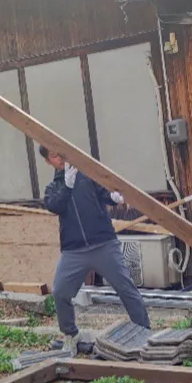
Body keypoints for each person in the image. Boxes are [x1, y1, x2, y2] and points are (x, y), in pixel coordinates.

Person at [39, 146, 151, 353]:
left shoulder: (87, 176)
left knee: (126, 288)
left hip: (104, 244)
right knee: (61, 292)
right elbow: (56, 206)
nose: (60, 158)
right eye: (54, 156)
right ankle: (71, 335)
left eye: (60, 152)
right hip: (74, 251)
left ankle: (144, 332)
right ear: (48, 162)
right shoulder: (52, 189)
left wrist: (114, 197)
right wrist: (67, 185)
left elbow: (105, 192)